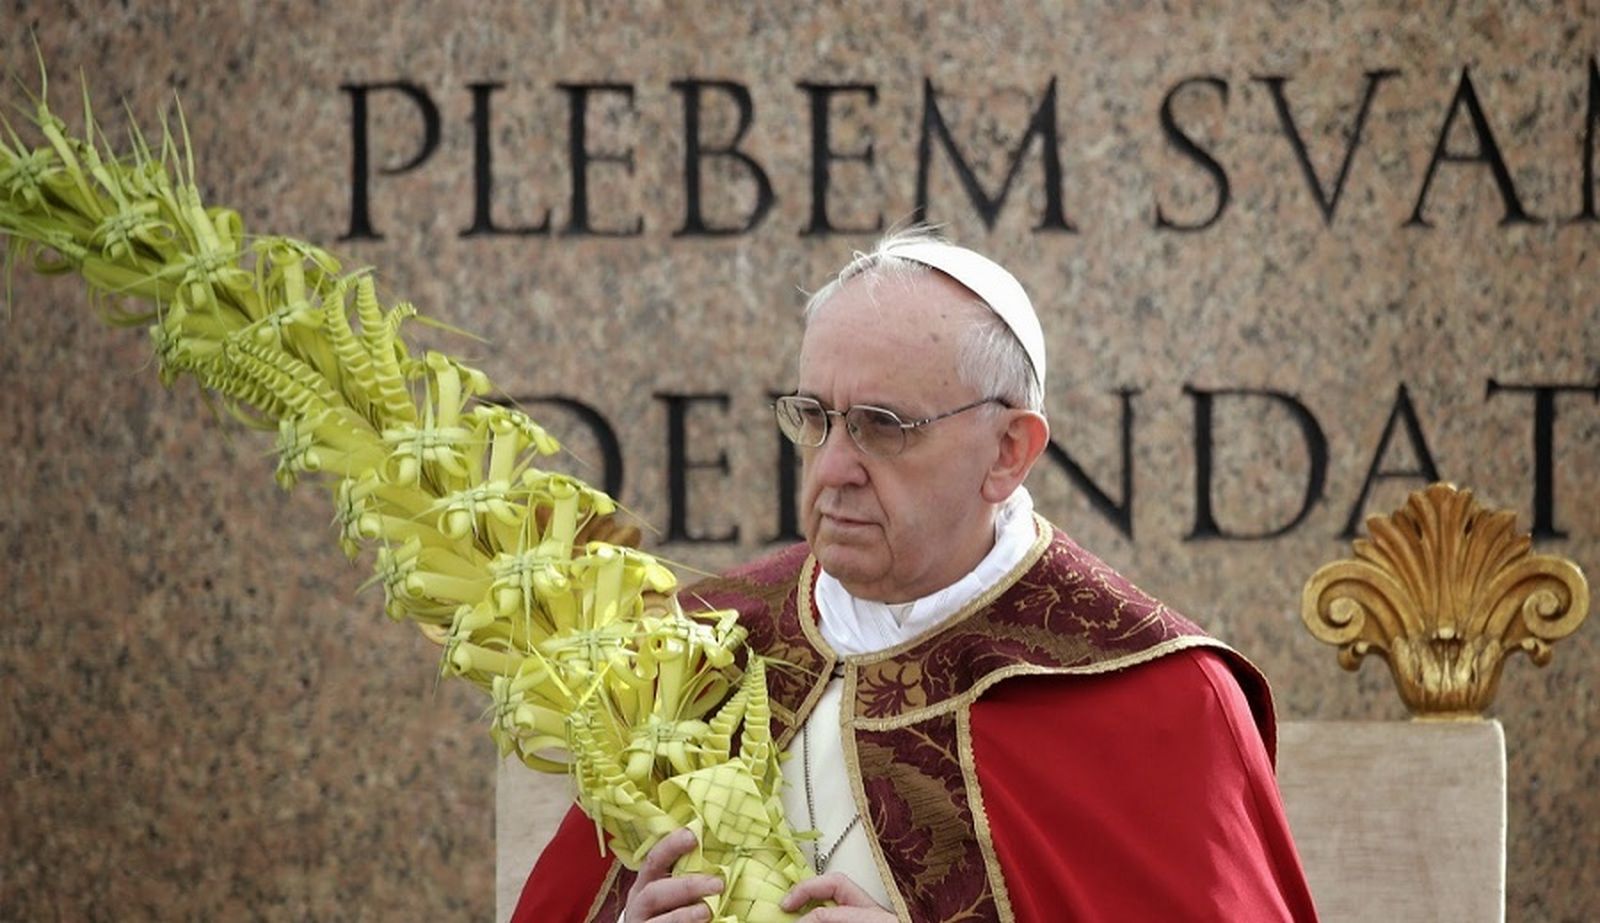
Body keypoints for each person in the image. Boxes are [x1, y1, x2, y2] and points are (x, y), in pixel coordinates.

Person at [511, 227, 1319, 922]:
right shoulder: (695, 651)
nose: (833, 467)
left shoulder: (1157, 698)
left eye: (881, 427)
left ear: (1009, 451)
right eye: (816, 418)